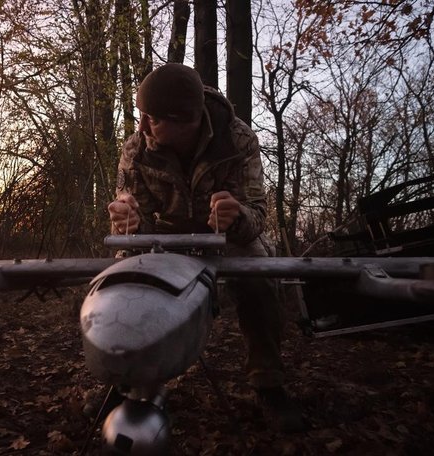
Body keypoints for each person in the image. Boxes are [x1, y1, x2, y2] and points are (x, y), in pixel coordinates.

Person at [107, 63, 304, 431]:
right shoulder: (137, 147)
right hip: (164, 237)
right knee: (124, 276)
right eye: (142, 116)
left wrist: (237, 216)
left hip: (227, 238)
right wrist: (127, 220)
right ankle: (128, 379)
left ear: (187, 120)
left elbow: (258, 214)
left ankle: (269, 383)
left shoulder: (238, 140)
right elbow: (130, 209)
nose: (143, 126)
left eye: (153, 118)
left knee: (260, 278)